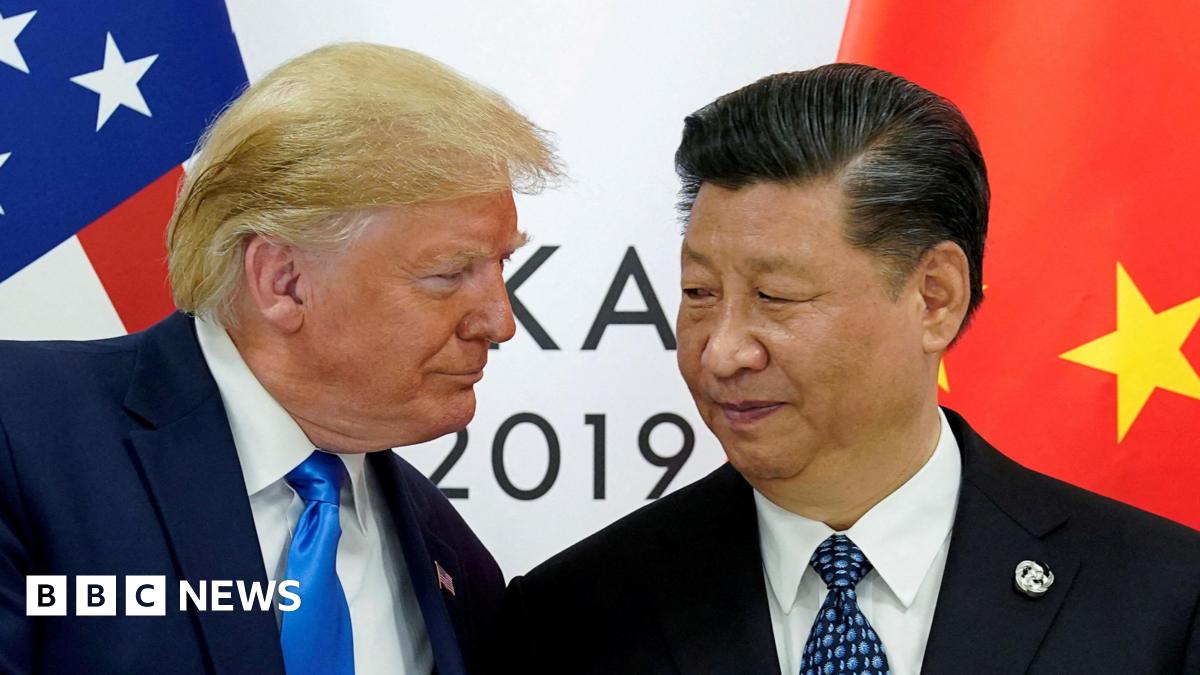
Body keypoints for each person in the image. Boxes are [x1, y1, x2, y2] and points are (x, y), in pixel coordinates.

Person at [498, 63, 1200, 674]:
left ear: (935, 298)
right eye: (699, 295)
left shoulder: (1163, 599)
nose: (722, 351)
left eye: (775, 296)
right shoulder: (571, 618)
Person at [0, 43, 559, 675]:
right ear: (283, 281)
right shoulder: (21, 437)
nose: (501, 323)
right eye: (449, 273)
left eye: (500, 265)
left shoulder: (453, 557)